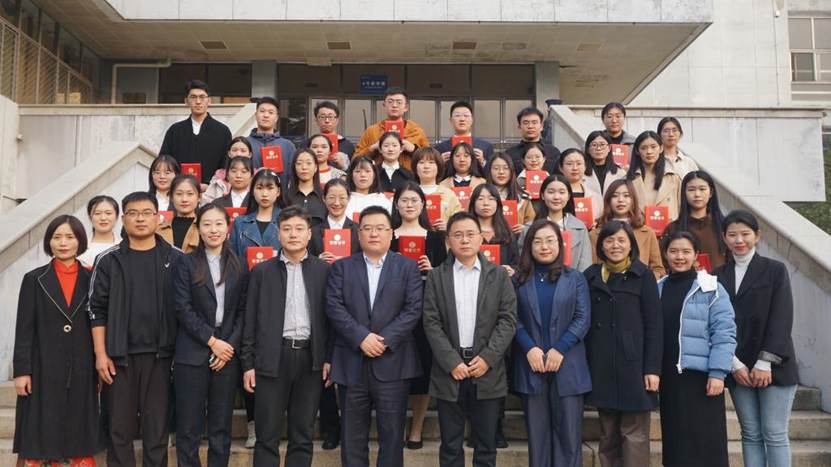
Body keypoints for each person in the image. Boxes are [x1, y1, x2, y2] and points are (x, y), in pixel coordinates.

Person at [89, 191, 184, 467]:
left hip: (162, 357)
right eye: (133, 213)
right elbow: (96, 310)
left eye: (146, 213)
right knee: (119, 430)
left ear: (158, 217)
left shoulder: (176, 258)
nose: (140, 219)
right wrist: (100, 354)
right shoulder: (108, 260)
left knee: (157, 430)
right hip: (119, 357)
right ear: (124, 218)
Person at [326, 205, 424, 467]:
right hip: (351, 362)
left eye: (380, 228)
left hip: (393, 363)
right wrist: (361, 338)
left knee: (392, 437)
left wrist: (384, 340)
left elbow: (413, 310)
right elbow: (334, 307)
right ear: (358, 234)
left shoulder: (407, 267)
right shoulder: (342, 267)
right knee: (352, 437)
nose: (373, 234)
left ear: (391, 233)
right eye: (367, 228)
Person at [422, 211, 517, 467]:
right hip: (449, 369)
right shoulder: (436, 277)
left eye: (470, 234)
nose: (464, 240)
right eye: (458, 235)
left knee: (485, 446)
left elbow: (507, 320)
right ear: (448, 241)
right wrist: (451, 361)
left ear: (481, 238)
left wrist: (487, 358)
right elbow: (431, 322)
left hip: (487, 369)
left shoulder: (498, 275)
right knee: (450, 446)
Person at [242, 206, 331, 467]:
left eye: (299, 229)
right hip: (272, 359)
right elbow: (250, 319)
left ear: (309, 234)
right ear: (278, 234)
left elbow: (331, 321)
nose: (293, 234)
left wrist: (329, 358)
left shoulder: (323, 271)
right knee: (266, 435)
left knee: (302, 434)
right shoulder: (262, 272)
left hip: (310, 359)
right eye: (287, 229)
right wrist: (248, 363)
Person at [714, 210, 799, 467]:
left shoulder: (775, 270)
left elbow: (781, 317)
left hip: (774, 366)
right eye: (732, 235)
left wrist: (765, 362)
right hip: (738, 367)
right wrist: (734, 364)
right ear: (724, 238)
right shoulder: (717, 275)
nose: (739, 240)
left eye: (745, 234)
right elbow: (714, 323)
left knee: (774, 433)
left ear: (757, 236)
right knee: (750, 433)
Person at [13, 215, 98, 465]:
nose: (63, 243)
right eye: (57, 237)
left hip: (82, 363)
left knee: (79, 422)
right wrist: (22, 371)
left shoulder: (93, 278)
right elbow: (24, 328)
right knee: (42, 421)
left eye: (70, 237)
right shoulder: (34, 279)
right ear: (49, 242)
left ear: (80, 241)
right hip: (43, 364)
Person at [512, 219, 591, 467]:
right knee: (538, 440)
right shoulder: (519, 280)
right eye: (537, 241)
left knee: (569, 439)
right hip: (531, 365)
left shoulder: (574, 278)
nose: (544, 246)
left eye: (550, 241)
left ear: (560, 244)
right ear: (528, 246)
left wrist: (560, 348)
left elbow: (582, 318)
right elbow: (511, 318)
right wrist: (529, 348)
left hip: (568, 366)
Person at [172, 203, 246, 467]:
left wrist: (228, 347)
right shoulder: (186, 262)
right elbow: (182, 308)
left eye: (218, 224)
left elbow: (243, 311)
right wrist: (212, 342)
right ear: (198, 229)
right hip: (192, 353)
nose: (213, 230)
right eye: (207, 224)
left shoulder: (239, 264)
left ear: (228, 228)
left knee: (220, 429)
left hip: (226, 355)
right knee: (188, 428)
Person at [583, 221, 662, 467]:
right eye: (609, 240)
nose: (615, 245)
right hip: (602, 363)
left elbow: (654, 324)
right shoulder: (591, 275)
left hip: (634, 365)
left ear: (630, 245)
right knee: (608, 434)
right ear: (601, 245)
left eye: (621, 240)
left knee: (634, 435)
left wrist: (652, 369)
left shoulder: (643, 275)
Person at [657, 230, 736, 467]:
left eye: (686, 251)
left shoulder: (711, 287)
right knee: (676, 442)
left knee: (706, 443)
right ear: (665, 254)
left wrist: (718, 373)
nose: (679, 257)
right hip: (670, 378)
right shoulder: (658, 288)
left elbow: (724, 333)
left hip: (702, 378)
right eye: (673, 251)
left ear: (696, 255)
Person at [388, 182, 448, 450]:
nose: (409, 205)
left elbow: (446, 275)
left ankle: (417, 428)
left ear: (423, 204)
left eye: (414, 200)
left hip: (426, 311)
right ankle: (396, 424)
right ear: (396, 204)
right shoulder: (388, 236)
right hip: (393, 310)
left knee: (423, 369)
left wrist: (432, 270)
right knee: (395, 369)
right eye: (404, 200)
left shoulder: (434, 238)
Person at [590, 179, 666, 279]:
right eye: (615, 196)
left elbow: (658, 269)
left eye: (626, 195)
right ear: (608, 200)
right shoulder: (595, 234)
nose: (620, 200)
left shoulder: (648, 233)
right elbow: (592, 268)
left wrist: (646, 281)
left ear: (633, 200)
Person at [160, 80, 231, 184]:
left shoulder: (222, 131)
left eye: (202, 97)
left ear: (209, 101)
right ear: (186, 101)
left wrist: (210, 185)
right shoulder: (175, 131)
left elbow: (226, 165)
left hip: (211, 190)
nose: (198, 101)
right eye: (193, 97)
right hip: (179, 188)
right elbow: (165, 161)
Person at [354, 87, 429, 170]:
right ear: (384, 105)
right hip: (379, 176)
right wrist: (372, 148)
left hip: (409, 177)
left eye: (399, 102)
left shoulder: (416, 130)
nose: (394, 105)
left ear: (406, 107)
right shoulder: (371, 131)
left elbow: (430, 160)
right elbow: (355, 160)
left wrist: (414, 149)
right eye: (390, 102)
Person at [665, 171, 727, 270]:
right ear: (684, 193)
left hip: (720, 279)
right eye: (691, 190)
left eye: (702, 189)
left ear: (711, 192)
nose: (697, 194)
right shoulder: (673, 228)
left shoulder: (724, 226)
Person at [530, 175, 592, 272]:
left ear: (568, 196)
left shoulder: (580, 227)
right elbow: (525, 264)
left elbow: (585, 264)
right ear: (542, 195)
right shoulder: (530, 227)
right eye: (551, 192)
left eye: (562, 192)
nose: (556, 197)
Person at [230, 168, 283, 270]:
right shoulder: (240, 223)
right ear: (252, 191)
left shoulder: (287, 221)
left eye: (270, 188)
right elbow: (233, 259)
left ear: (278, 191)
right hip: (246, 277)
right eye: (259, 188)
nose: (264, 194)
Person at [627, 130, 682, 222]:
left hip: (669, 229)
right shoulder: (629, 179)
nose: (649, 152)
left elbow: (681, 209)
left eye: (653, 147)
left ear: (661, 148)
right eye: (644, 148)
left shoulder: (673, 178)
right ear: (637, 151)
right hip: (639, 229)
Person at [246, 96, 297, 187]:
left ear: (276, 118)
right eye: (262, 111)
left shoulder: (288, 146)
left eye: (271, 112)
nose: (266, 115)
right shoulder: (244, 144)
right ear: (256, 115)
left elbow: (294, 177)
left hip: (280, 195)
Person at [469, 183, 519, 275]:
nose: (486, 203)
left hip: (501, 281)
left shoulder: (507, 233)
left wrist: (512, 271)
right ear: (473, 203)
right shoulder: (467, 233)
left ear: (498, 204)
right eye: (480, 199)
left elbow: (516, 263)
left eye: (491, 199)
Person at [310, 178, 361, 263]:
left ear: (348, 199)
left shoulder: (358, 230)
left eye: (342, 198)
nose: (337, 203)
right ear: (324, 199)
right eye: (332, 197)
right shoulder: (313, 232)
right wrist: (318, 261)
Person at [485, 152, 536, 232]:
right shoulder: (480, 197)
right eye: (496, 168)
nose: (501, 172)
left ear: (511, 171)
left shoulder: (523, 198)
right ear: (489, 171)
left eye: (506, 168)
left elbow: (532, 225)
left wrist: (524, 229)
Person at [412, 147, 460, 230]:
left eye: (431, 162)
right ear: (415, 167)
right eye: (421, 162)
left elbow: (459, 222)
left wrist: (448, 226)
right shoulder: (409, 193)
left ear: (439, 167)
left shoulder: (449, 194)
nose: (426, 166)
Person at [433, 101, 494, 166]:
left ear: (472, 120)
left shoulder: (486, 146)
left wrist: (483, 162)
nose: (462, 119)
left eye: (466, 115)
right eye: (457, 115)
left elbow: (492, 171)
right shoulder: (440, 148)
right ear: (451, 120)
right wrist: (440, 164)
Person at [504, 107, 560, 174]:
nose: (530, 126)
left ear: (541, 126)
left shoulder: (553, 152)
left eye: (534, 122)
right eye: (526, 123)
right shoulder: (509, 154)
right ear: (519, 127)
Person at [203, 136, 253, 204]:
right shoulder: (218, 176)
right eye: (234, 150)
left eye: (243, 151)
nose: (238, 154)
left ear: (250, 154)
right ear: (229, 153)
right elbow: (206, 202)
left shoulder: (257, 176)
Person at [158, 174, 201, 253]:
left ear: (199, 197)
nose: (184, 199)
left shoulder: (204, 228)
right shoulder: (159, 229)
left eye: (190, 194)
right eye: (179, 194)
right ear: (171, 197)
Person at [558, 148, 603, 223]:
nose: (575, 168)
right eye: (569, 164)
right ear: (561, 167)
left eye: (579, 164)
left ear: (585, 166)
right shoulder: (554, 195)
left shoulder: (596, 197)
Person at [285, 149, 327, 227]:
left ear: (315, 167)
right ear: (294, 167)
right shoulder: (286, 196)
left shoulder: (324, 197)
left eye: (309, 163)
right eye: (299, 163)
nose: (304, 167)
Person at [310, 100, 355, 169]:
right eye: (322, 117)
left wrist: (344, 166)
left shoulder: (348, 146)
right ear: (316, 120)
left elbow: (354, 170)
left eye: (330, 117)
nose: (327, 121)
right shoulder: (307, 144)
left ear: (337, 120)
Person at [79, 195, 120, 267]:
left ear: (116, 216)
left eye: (108, 213)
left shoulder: (126, 247)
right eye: (97, 213)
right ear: (89, 217)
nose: (103, 218)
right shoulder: (78, 248)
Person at [583, 130, 626, 196]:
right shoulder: (581, 172)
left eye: (602, 144)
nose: (598, 148)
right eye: (594, 145)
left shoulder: (620, 173)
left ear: (609, 148)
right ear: (588, 149)